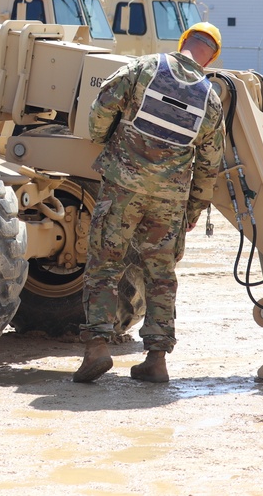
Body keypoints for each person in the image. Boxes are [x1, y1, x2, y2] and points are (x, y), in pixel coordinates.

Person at [73, 22, 225, 384]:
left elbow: (103, 107)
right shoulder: (210, 99)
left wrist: (103, 139)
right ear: (212, 57)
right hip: (169, 201)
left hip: (123, 188)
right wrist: (193, 210)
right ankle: (156, 359)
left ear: (184, 41)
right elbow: (209, 165)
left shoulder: (146, 68)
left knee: (104, 265)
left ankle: (97, 348)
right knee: (161, 276)